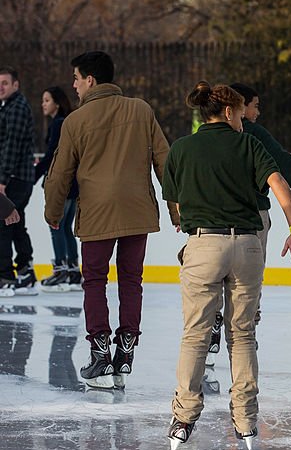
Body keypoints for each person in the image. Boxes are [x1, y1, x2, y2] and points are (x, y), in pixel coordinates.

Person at [163, 82, 291, 450]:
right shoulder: (248, 145)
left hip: (203, 245)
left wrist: (188, 219)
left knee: (195, 334)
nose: (244, 119)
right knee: (241, 335)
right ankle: (246, 422)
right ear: (228, 112)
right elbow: (278, 185)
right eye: (242, 113)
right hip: (246, 246)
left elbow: (174, 205)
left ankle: (183, 418)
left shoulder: (181, 148)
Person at [43, 51, 178, 389]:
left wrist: (53, 213)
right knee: (132, 280)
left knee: (94, 281)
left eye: (76, 78)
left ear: (91, 79)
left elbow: (59, 175)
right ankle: (126, 352)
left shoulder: (75, 121)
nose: (73, 85)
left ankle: (100, 353)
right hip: (137, 210)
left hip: (98, 213)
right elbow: (166, 163)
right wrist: (177, 210)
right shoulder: (141, 110)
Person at [202, 83, 291, 363]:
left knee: (212, 279)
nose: (257, 113)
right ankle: (246, 334)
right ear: (238, 107)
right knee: (247, 286)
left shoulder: (200, 138)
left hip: (210, 221)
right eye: (255, 106)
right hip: (252, 220)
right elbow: (284, 167)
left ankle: (214, 319)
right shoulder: (252, 135)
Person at [35, 86, 81, 292]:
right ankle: (72, 271)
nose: (43, 104)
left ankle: (62, 270)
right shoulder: (69, 123)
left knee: (56, 226)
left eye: (46, 100)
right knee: (65, 228)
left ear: (57, 103)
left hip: (63, 185)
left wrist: (33, 176)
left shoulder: (58, 124)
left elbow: (51, 157)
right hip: (73, 185)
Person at [0, 66, 38, 296]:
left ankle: (5, 276)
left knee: (3, 224)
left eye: (5, 82)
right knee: (14, 223)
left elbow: (10, 148)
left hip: (13, 178)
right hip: (19, 178)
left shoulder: (16, 108)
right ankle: (25, 270)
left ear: (16, 85)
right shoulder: (9, 107)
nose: (1, 87)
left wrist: (2, 180)